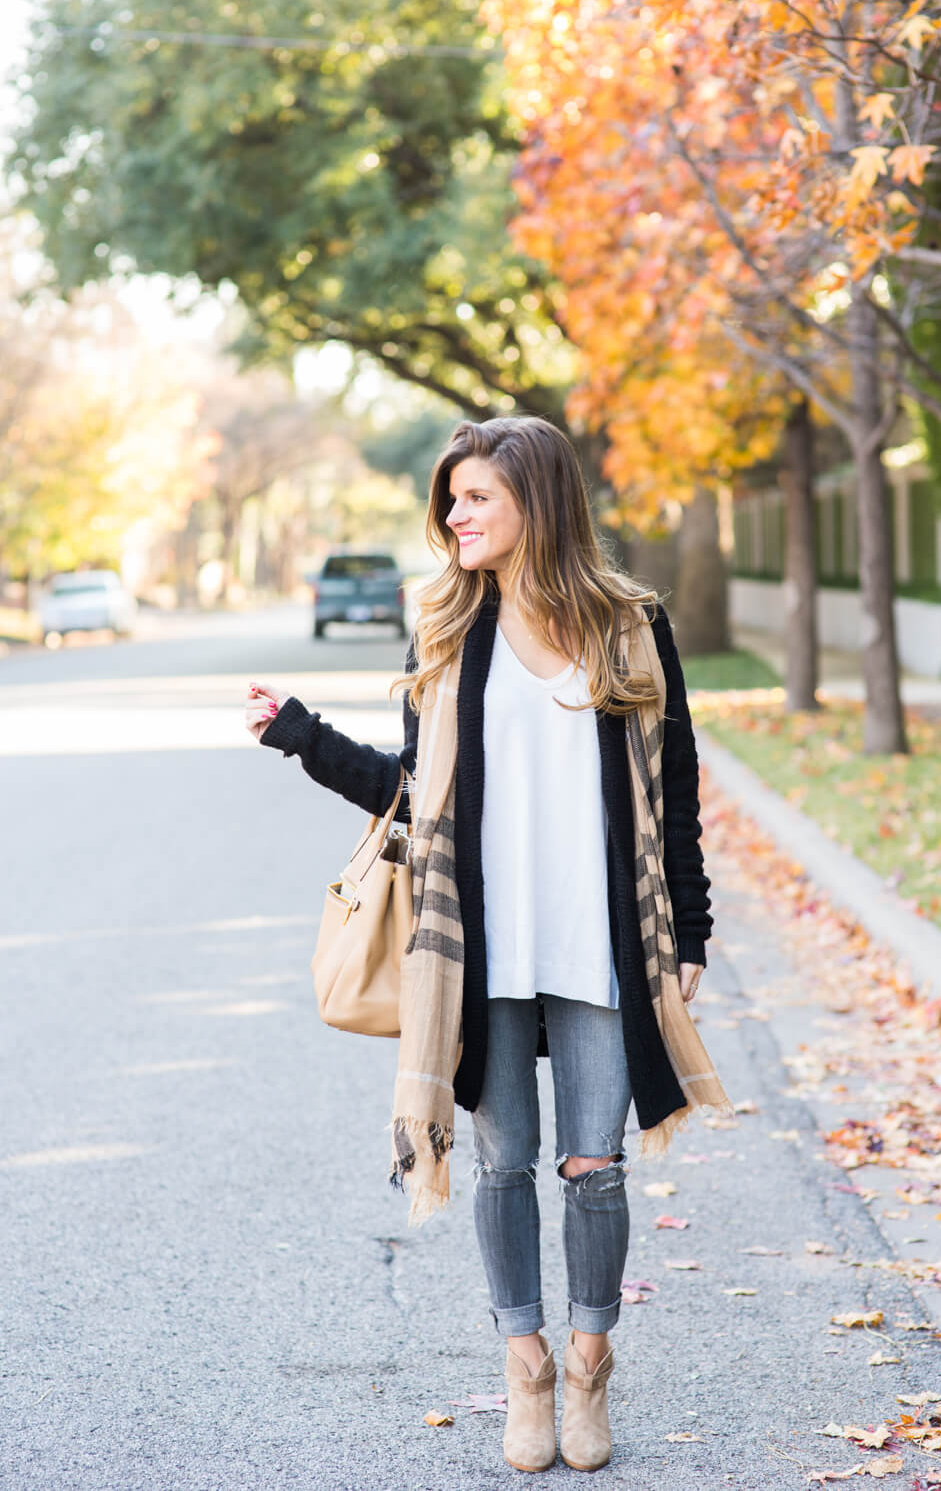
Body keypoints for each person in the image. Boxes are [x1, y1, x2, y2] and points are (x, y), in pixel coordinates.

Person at [244, 415, 731, 1474]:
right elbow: (416, 799)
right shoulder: (446, 632)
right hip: (482, 948)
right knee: (504, 1164)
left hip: (602, 941)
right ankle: (527, 1371)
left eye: (476, 499)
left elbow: (674, 797)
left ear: (536, 505)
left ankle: (592, 1360)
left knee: (594, 1166)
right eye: (451, 498)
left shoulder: (631, 627)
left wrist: (688, 930)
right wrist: (303, 735)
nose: (454, 516)